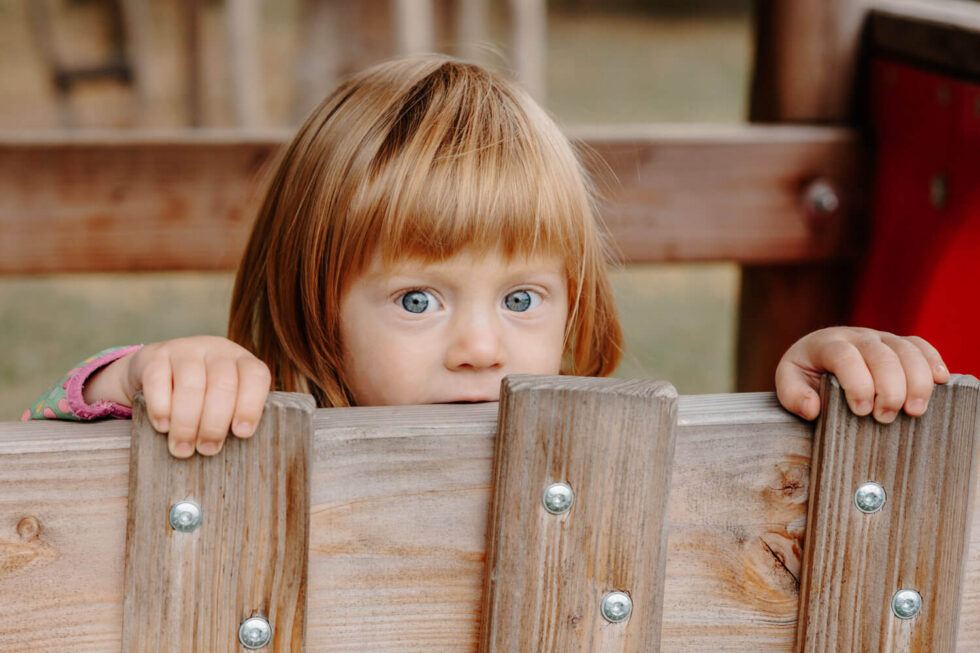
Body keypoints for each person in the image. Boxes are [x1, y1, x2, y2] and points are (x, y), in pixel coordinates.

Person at [23, 55, 950, 458]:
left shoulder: (603, 441)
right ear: (316, 312)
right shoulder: (256, 434)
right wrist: (140, 377)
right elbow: (46, 455)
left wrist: (811, 403)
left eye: (522, 298)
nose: (481, 347)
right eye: (418, 300)